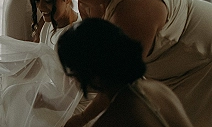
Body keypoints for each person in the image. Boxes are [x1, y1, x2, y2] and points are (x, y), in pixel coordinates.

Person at [60, 0, 212, 127]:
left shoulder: (134, 10)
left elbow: (118, 78)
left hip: (203, 58)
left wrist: (83, 118)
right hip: (177, 69)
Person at [57, 18, 193, 127]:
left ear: (90, 72)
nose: (73, 79)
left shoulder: (114, 118)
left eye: (73, 71)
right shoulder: (158, 89)